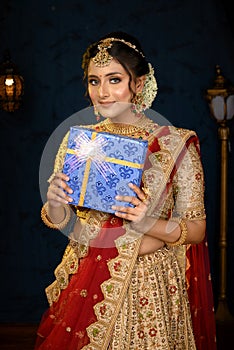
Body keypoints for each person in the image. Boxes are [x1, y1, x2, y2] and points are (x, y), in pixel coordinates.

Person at [35, 31, 217, 349]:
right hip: (87, 279)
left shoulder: (176, 144)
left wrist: (147, 222)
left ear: (139, 83)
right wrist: (54, 203)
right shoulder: (78, 142)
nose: (103, 92)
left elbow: (198, 229)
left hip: (151, 286)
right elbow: (63, 219)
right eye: (94, 81)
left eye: (114, 79)